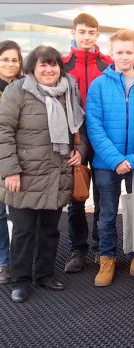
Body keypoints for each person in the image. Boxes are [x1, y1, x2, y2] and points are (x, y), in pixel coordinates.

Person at [0, 46, 86, 303]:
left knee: (50, 229)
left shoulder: (69, 89)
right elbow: (3, 131)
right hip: (24, 175)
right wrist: (10, 171)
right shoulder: (18, 91)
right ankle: (21, 280)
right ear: (32, 68)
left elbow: (79, 128)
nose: (49, 70)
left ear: (60, 66)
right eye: (43, 65)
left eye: (53, 65)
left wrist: (80, 150)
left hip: (57, 172)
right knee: (24, 230)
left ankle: (45, 274)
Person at [86, 30, 134, 287]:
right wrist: (115, 159)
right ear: (112, 53)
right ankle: (107, 258)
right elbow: (94, 126)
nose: (124, 56)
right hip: (107, 164)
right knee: (107, 213)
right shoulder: (98, 85)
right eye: (119, 52)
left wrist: (132, 159)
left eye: (129, 51)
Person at [62, 13, 111, 273]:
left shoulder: (108, 64)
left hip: (103, 138)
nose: (86, 37)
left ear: (97, 35)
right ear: (74, 33)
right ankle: (77, 249)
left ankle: (101, 247)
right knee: (77, 197)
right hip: (75, 140)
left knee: (103, 196)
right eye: (82, 32)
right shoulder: (62, 65)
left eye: (91, 32)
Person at [0, 40, 23, 284]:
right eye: (5, 59)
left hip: (19, 160)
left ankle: (21, 260)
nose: (10, 64)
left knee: (20, 216)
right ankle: (4, 263)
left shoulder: (25, 87)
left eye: (14, 60)